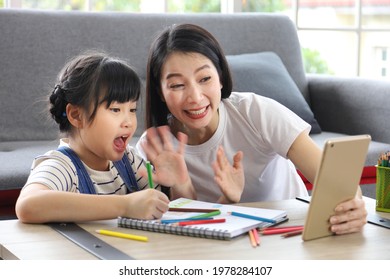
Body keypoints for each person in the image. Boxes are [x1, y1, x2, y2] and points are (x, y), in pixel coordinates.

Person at [137, 23, 367, 235]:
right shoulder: (156, 146)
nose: (195, 97)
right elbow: (183, 226)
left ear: (221, 79)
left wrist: (352, 205)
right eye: (177, 85)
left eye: (205, 78)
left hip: (286, 229)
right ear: (160, 92)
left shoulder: (255, 111)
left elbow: (331, 176)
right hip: (217, 242)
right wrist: (182, 185)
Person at [15, 51, 193, 224]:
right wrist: (125, 205)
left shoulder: (129, 162)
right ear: (76, 115)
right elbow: (28, 205)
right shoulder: (62, 166)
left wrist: (180, 185)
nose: (129, 122)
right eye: (115, 110)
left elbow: (171, 215)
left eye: (132, 110)